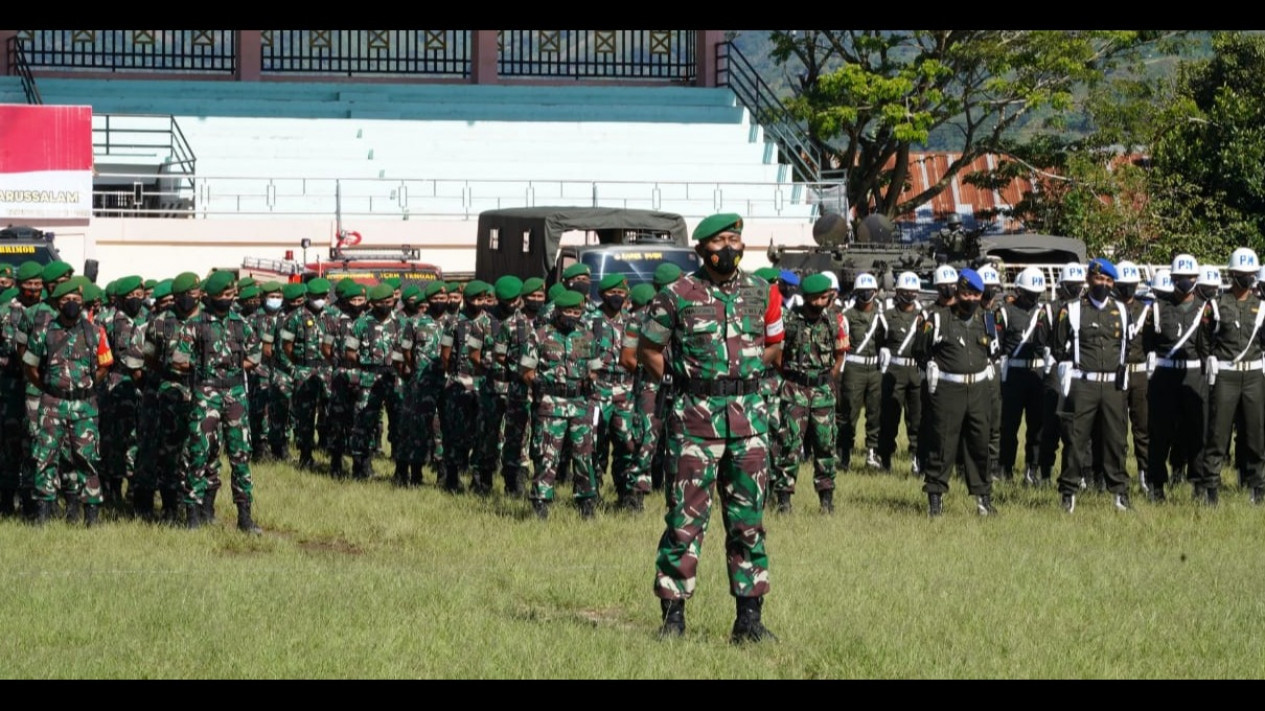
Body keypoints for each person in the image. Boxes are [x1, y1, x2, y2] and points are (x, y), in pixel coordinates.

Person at [637, 212, 783, 643]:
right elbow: (649, 349)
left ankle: (749, 621)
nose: (729, 248)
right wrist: (689, 383)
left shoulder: (762, 291)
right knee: (685, 521)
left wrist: (745, 380)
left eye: (735, 240)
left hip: (750, 425)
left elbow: (775, 346)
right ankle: (673, 619)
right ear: (701, 249)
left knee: (748, 524)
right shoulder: (675, 295)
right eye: (719, 241)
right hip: (694, 426)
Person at [171, 270, 261, 532]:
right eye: (222, 294)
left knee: (240, 454)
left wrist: (231, 368)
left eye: (231, 294)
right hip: (206, 393)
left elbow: (254, 357)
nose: (227, 298)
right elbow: (179, 358)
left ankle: (245, 517)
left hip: (235, 395)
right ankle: (193, 515)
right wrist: (204, 370)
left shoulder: (241, 323)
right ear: (210, 296)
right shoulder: (196, 324)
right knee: (199, 452)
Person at [23, 277, 111, 525]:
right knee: (45, 457)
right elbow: (30, 365)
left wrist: (91, 384)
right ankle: (42, 515)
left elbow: (105, 364)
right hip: (52, 404)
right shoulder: (44, 332)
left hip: (85, 407)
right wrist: (46, 387)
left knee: (88, 459)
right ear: (56, 302)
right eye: (66, 300)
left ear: (82, 302)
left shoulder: (95, 332)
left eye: (76, 299)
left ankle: (91, 516)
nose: (71, 303)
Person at [1050, 258, 1132, 513]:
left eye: (1109, 281)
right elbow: (1057, 345)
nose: (1104, 284)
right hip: (1082, 383)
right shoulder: (1071, 309)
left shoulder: (1122, 309)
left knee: (1116, 441)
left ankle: (1120, 493)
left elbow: (1125, 346)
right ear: (1089, 279)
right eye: (1099, 279)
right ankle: (1068, 492)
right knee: (1075, 440)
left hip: (1112, 386)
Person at [914, 269, 998, 517]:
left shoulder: (986, 319)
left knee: (980, 444)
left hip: (978, 390)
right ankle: (935, 499)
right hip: (948, 389)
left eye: (975, 294)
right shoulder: (938, 319)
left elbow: (993, 350)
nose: (970, 299)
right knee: (942, 444)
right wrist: (929, 366)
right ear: (958, 293)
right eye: (966, 293)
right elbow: (919, 349)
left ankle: (984, 499)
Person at [521, 289, 601, 519]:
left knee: (584, 454)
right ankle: (541, 502)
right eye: (568, 311)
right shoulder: (540, 335)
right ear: (557, 311)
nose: (572, 315)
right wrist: (541, 387)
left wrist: (587, 382)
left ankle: (586, 501)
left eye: (577, 312)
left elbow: (594, 369)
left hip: (579, 404)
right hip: (551, 405)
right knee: (547, 455)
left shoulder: (586, 337)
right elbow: (526, 370)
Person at [772, 272, 846, 514]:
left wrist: (828, 378)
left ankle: (826, 500)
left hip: (823, 390)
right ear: (809, 298)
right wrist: (790, 375)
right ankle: (783, 501)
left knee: (826, 444)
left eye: (827, 297)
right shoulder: (790, 320)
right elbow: (777, 353)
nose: (824, 301)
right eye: (820, 297)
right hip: (794, 390)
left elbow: (840, 353)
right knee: (789, 445)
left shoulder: (835, 321)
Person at [1197, 248, 1265, 505]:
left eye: (1250, 274)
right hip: (1226, 375)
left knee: (1255, 433)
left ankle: (1257, 485)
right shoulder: (1215, 304)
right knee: (1218, 432)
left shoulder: (1261, 307)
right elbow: (1203, 340)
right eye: (1241, 274)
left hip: (1253, 376)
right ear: (1232, 274)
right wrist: (1210, 360)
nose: (1246, 278)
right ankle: (1210, 487)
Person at [1144, 253, 1209, 502]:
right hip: (1165, 375)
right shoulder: (1158, 308)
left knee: (1196, 431)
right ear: (1172, 278)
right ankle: (1156, 485)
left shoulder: (1206, 308)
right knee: (1160, 432)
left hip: (1193, 375)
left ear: (1196, 278)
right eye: (1180, 277)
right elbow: (1148, 342)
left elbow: (1207, 344)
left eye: (1190, 277)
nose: (1185, 281)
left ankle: (1198, 485)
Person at [997, 267, 1052, 485]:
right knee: (1009, 425)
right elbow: (999, 345)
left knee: (1037, 426)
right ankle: (1005, 468)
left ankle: (1032, 469)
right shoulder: (1006, 312)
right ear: (1019, 290)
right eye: (1030, 293)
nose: (1034, 297)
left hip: (1037, 373)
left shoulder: (1044, 313)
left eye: (1037, 293)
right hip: (1014, 374)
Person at [346, 283, 406, 481]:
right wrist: (367, 367)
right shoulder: (362, 323)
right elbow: (350, 352)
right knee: (364, 423)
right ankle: (361, 467)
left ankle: (400, 469)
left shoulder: (402, 323)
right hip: (369, 379)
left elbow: (408, 351)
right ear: (372, 303)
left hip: (395, 378)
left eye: (389, 302)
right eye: (381, 302)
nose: (386, 305)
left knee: (399, 423)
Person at [280, 277, 332, 470]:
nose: (321, 299)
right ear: (308, 297)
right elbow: (287, 346)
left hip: (327, 370)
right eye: (317, 296)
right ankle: (306, 454)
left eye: (324, 296)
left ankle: (332, 453)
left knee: (330, 412)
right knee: (305, 415)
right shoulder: (294, 318)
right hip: (304, 369)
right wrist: (299, 364)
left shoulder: (332, 316)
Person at [876, 271, 924, 474]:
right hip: (894, 371)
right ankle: (885, 457)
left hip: (916, 370)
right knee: (889, 417)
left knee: (917, 418)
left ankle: (917, 458)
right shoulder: (887, 316)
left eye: (914, 292)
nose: (910, 295)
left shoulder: (923, 317)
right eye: (906, 291)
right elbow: (879, 341)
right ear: (898, 291)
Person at [838, 272, 885, 470]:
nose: (866, 294)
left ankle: (872, 452)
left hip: (875, 368)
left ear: (875, 291)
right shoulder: (847, 316)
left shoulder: (882, 316)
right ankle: (844, 454)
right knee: (849, 411)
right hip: (854, 368)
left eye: (869, 291)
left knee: (875, 412)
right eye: (862, 291)